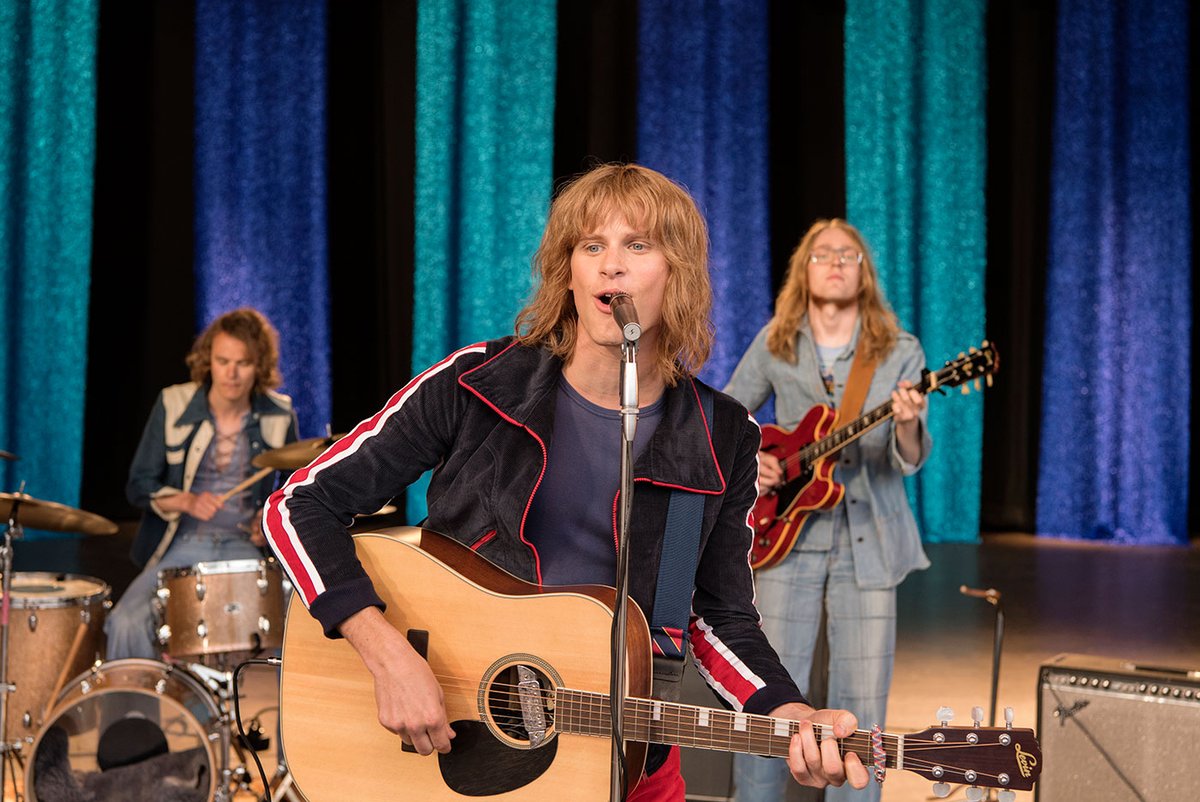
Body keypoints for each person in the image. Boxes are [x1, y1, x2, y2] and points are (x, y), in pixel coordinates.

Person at [263, 164, 869, 800]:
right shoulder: (476, 383)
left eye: (638, 245)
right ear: (569, 272)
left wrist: (785, 710)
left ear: (678, 274)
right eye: (592, 246)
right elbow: (296, 505)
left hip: (628, 763)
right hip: (458, 749)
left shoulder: (721, 434)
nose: (612, 266)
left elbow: (720, 616)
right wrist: (387, 653)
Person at [723, 219, 931, 802]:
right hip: (787, 537)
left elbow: (910, 458)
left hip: (871, 540)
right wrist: (756, 460)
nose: (836, 262)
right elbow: (728, 419)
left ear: (864, 273)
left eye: (848, 254)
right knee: (770, 701)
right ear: (803, 270)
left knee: (862, 712)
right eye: (822, 254)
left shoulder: (901, 351)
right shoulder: (776, 341)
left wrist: (908, 423)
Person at [106, 307, 299, 660]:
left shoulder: (279, 413)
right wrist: (186, 501)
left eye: (243, 363)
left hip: (243, 547)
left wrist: (267, 522)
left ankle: (276, 700)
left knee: (298, 625)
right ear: (208, 359)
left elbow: (292, 494)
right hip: (182, 544)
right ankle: (141, 699)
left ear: (259, 365)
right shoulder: (173, 402)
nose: (231, 374)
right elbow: (138, 485)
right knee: (125, 622)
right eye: (223, 361)